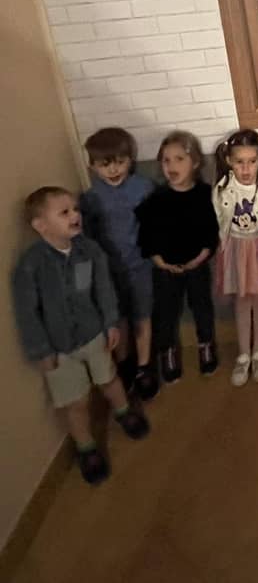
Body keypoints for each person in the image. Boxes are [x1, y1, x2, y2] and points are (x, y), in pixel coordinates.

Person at [12, 187, 149, 485]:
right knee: (75, 402)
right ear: (41, 225)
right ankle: (86, 447)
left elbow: (103, 289)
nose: (75, 215)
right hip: (59, 347)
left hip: (93, 333)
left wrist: (111, 323)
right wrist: (41, 350)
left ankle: (124, 411)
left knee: (108, 378)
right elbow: (27, 312)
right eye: (64, 212)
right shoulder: (32, 265)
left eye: (75, 209)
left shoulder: (90, 250)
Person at [79, 126, 158, 401]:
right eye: (105, 164)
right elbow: (86, 239)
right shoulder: (90, 198)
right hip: (108, 272)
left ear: (130, 160)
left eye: (120, 162)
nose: (113, 170)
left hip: (140, 265)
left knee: (142, 315)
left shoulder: (143, 188)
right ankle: (125, 364)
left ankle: (145, 366)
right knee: (118, 317)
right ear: (92, 166)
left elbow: (155, 225)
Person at [136, 131, 220, 384]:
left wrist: (202, 256)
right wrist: (158, 260)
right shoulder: (156, 199)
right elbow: (147, 234)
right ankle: (168, 351)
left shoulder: (205, 194)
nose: (171, 166)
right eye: (166, 160)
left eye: (179, 159)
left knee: (202, 306)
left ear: (195, 162)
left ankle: (206, 345)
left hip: (197, 265)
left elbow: (211, 231)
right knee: (166, 312)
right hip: (165, 268)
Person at [212, 129, 258, 387]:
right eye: (239, 161)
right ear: (229, 160)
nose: (246, 168)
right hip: (236, 250)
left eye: (251, 161)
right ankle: (243, 355)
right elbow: (219, 220)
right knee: (241, 301)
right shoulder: (223, 188)